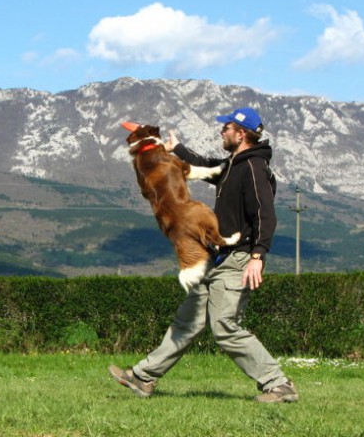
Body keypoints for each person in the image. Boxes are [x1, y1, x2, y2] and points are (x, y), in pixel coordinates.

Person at [109, 107, 298, 403]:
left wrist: (258, 256)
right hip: (217, 256)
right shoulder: (235, 163)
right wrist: (178, 150)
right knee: (187, 322)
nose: (221, 131)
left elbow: (265, 213)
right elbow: (209, 167)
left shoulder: (254, 168)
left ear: (242, 133)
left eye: (227, 128)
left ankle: (278, 384)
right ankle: (143, 377)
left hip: (239, 257)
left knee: (224, 326)